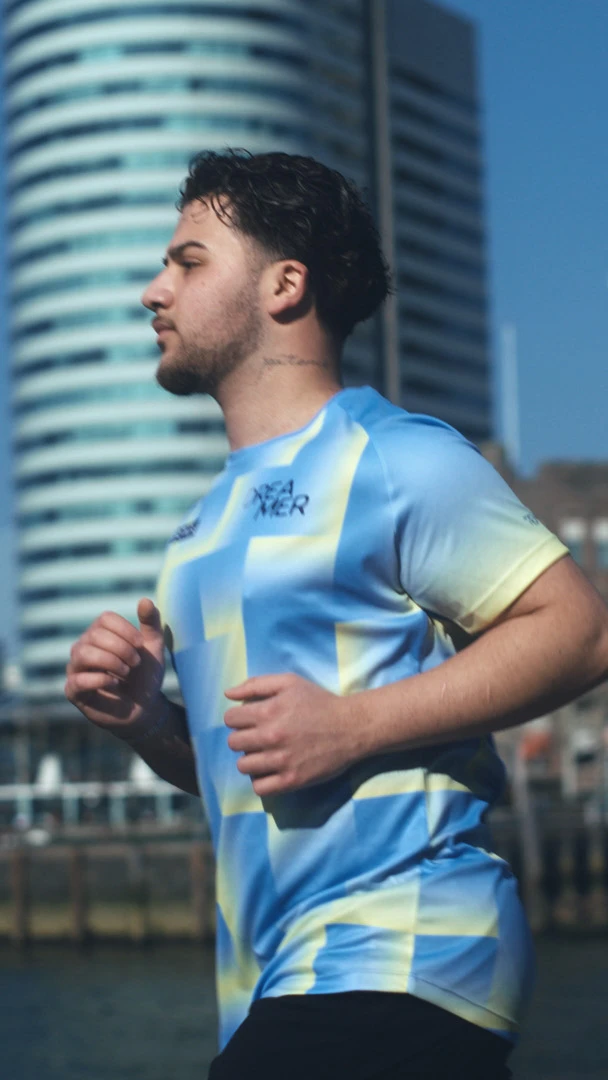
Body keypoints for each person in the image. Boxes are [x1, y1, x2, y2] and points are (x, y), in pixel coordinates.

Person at [65, 150, 608, 1079]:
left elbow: (582, 630)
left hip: (407, 949)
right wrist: (147, 722)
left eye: (188, 261)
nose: (155, 290)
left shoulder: (396, 458)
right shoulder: (198, 534)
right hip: (276, 981)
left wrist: (352, 723)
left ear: (285, 284)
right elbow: (254, 777)